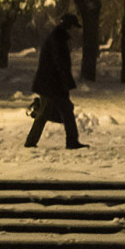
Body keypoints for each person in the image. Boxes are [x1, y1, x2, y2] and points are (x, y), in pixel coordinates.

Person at [25, 13, 87, 149]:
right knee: (65, 111)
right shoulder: (58, 39)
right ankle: (71, 141)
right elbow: (60, 64)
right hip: (52, 83)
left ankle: (31, 141)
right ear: (68, 26)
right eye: (73, 27)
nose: (74, 31)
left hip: (49, 83)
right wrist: (66, 82)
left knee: (46, 112)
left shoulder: (57, 37)